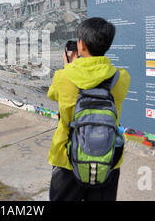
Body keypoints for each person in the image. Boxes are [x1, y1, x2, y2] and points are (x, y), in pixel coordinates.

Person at [47, 17, 131, 201]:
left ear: (81, 45)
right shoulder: (121, 77)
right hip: (107, 158)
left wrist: (69, 66)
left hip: (66, 158)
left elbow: (53, 95)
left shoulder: (63, 76)